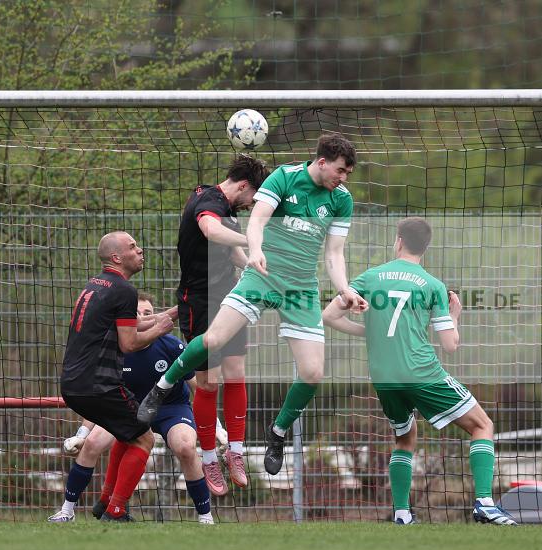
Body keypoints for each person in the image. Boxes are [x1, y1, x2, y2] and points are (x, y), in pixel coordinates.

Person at [138, 134, 367, 478]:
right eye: (340, 170)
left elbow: (334, 253)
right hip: (261, 275)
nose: (343, 177)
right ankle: (164, 386)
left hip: (300, 287)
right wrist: (256, 251)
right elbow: (258, 220)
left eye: (347, 172)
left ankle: (277, 432)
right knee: (213, 342)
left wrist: (345, 289)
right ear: (321, 162)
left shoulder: (341, 199)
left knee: (313, 373)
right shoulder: (284, 178)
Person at [322, 217, 517, 526]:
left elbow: (329, 316)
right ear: (425, 247)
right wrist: (455, 315)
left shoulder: (369, 278)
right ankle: (484, 504)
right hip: (421, 372)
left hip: (384, 377)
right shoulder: (432, 285)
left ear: (398, 240)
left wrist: (369, 332)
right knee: (482, 425)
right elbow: (450, 345)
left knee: (405, 437)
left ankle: (402, 514)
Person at [49, 293, 215, 524]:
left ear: (156, 318)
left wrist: (215, 427)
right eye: (136, 313)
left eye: (148, 313)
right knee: (93, 442)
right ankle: (67, 511)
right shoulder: (112, 349)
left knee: (186, 447)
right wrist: (81, 434)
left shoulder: (172, 346)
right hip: (128, 409)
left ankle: (205, 517)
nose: (142, 317)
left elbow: (200, 389)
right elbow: (101, 398)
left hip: (171, 408)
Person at [58, 232, 174, 522]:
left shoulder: (95, 285)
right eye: (133, 247)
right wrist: (162, 329)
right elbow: (130, 344)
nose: (140, 250)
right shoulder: (124, 290)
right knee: (144, 439)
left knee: (118, 437)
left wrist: (175, 312)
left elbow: (132, 322)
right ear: (117, 257)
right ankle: (116, 510)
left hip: (73, 385)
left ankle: (76, 509)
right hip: (101, 385)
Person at [175, 155, 269, 494]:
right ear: (243, 186)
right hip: (198, 301)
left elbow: (229, 251)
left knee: (236, 371)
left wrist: (253, 264)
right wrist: (252, 241)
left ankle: (237, 453)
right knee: (208, 383)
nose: (252, 204)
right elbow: (210, 230)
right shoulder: (209, 202)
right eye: (253, 197)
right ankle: (210, 458)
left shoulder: (226, 207)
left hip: (228, 297)